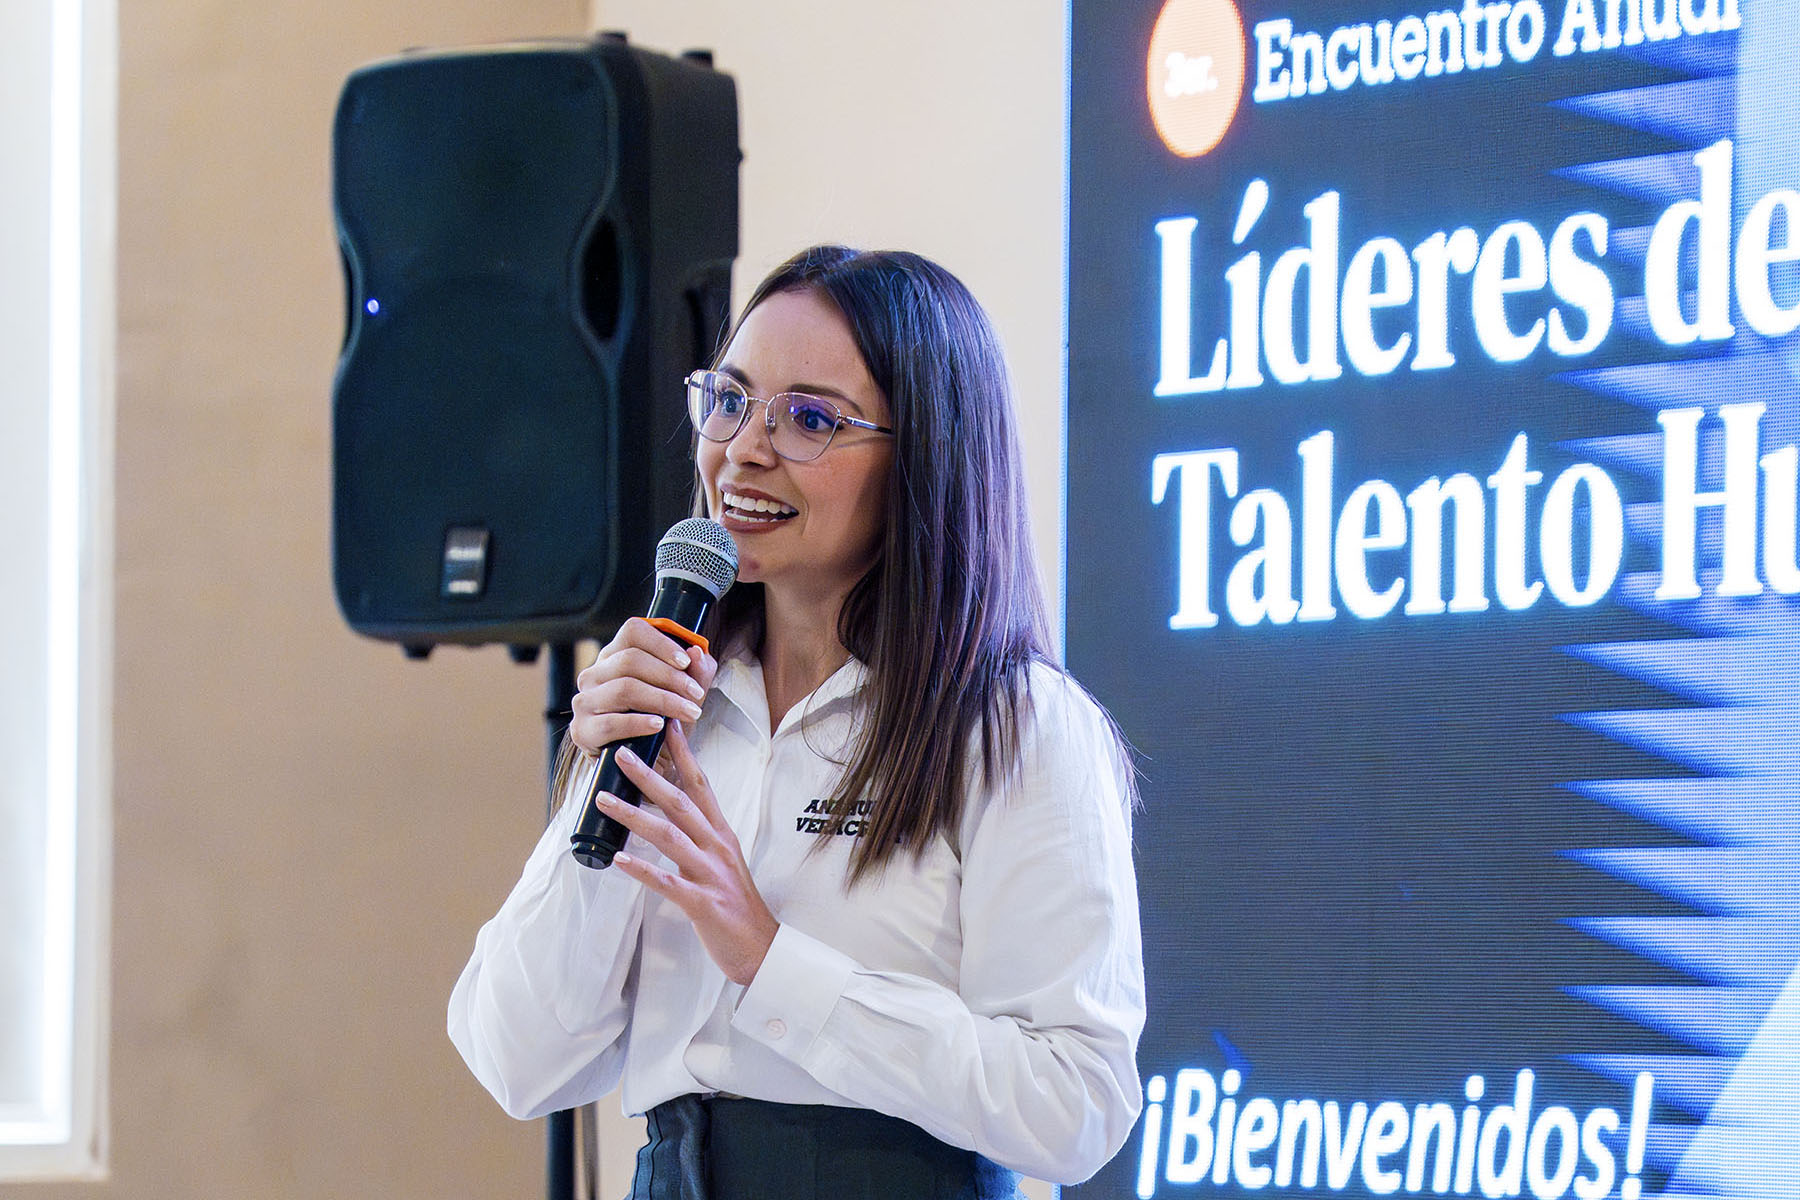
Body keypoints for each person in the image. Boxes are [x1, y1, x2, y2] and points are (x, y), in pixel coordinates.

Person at [448, 245, 1145, 1199]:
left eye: (809, 419)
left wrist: (773, 963)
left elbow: (1078, 1105)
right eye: (730, 400)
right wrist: (603, 794)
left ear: (926, 458)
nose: (742, 449)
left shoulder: (1015, 726)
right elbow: (517, 1061)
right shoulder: (668, 700)